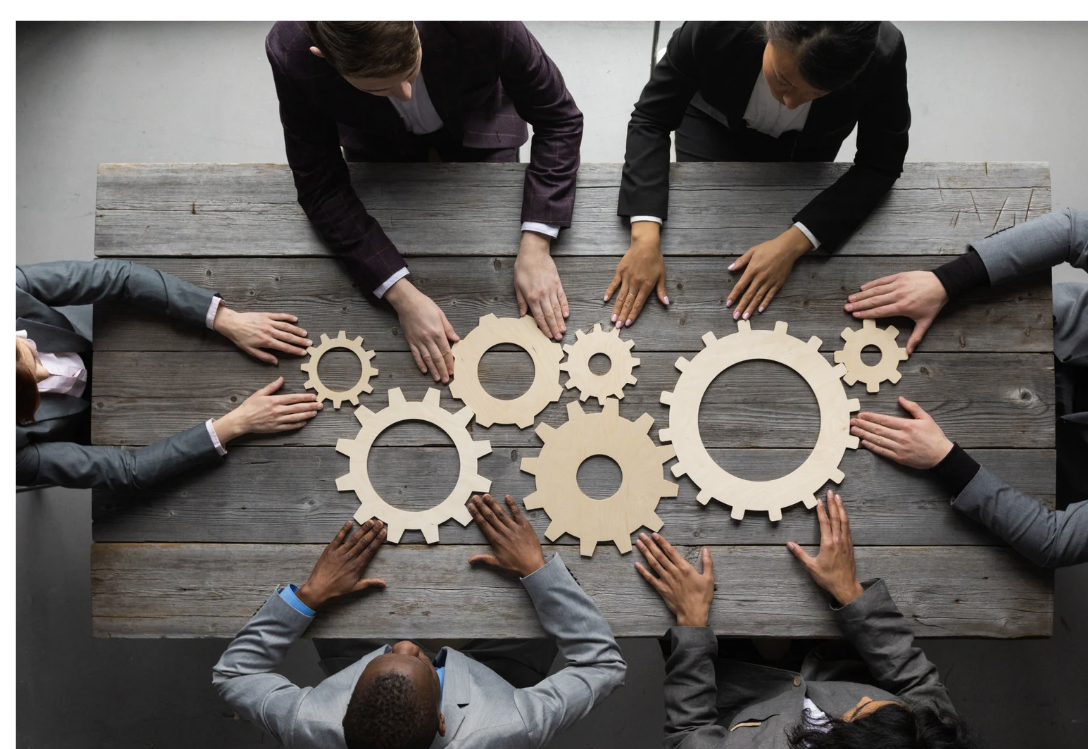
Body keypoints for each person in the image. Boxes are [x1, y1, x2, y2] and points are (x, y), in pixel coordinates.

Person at [265, 21, 583, 384]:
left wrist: (537, 241)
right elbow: (320, 185)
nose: (404, 93)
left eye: (411, 70)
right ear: (325, 58)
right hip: (378, 148)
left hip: (479, 124)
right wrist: (400, 296)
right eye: (380, 87)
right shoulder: (291, 51)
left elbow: (559, 118)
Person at [212, 495, 627, 749]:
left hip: (394, 680)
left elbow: (235, 675)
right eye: (420, 660)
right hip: (497, 677)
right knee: (540, 611)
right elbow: (603, 665)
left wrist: (310, 596)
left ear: (344, 707)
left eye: (388, 656)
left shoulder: (311, 723)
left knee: (336, 612)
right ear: (442, 720)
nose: (408, 642)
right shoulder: (509, 727)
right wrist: (537, 570)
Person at [844, 208, 1088, 568]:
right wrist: (947, 282)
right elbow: (1080, 232)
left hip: (1034, 464)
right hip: (1024, 326)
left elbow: (1056, 540)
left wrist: (944, 460)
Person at [635, 491, 990, 749]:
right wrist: (851, 592)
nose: (865, 699)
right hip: (841, 648)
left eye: (863, 714)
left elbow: (687, 737)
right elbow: (916, 684)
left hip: (738, 682)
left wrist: (692, 624)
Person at [609, 21, 910, 328]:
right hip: (713, 118)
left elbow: (880, 163)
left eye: (817, 93)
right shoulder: (716, 22)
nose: (791, 102)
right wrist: (644, 237)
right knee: (702, 233)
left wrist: (794, 243)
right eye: (783, 80)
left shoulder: (883, 54)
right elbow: (651, 119)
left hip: (806, 146)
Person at [16, 258, 322, 489]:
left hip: (105, 334)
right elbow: (127, 470)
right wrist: (238, 423)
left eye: (31, 355)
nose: (46, 373)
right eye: (36, 386)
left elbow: (119, 279)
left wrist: (223, 318)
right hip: (100, 426)